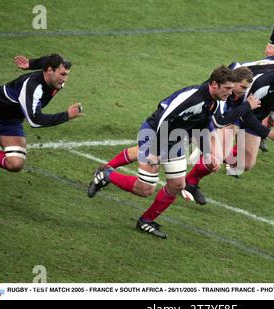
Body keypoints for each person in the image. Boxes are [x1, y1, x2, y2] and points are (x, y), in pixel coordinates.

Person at [87, 66, 261, 239]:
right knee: (145, 189)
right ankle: (107, 175)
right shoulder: (192, 98)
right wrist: (155, 152)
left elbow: (204, 126)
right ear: (214, 84)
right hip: (155, 134)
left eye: (232, 89)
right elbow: (164, 118)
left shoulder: (215, 100)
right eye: (227, 89)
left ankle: (145, 221)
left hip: (176, 139)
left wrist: (208, 153)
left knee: (178, 185)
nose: (230, 93)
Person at [183, 56, 274, 204]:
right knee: (217, 157)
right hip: (237, 114)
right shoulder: (263, 83)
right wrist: (267, 132)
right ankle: (190, 182)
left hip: (254, 117)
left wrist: (273, 113)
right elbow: (244, 111)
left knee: (245, 164)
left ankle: (211, 149)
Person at [0, 54, 83, 172]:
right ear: (50, 71)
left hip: (11, 121)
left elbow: (46, 61)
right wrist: (67, 115)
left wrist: (31, 63)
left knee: (16, 164)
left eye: (67, 74)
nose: (65, 79)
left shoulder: (55, 78)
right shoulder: (33, 87)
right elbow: (35, 120)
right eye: (62, 74)